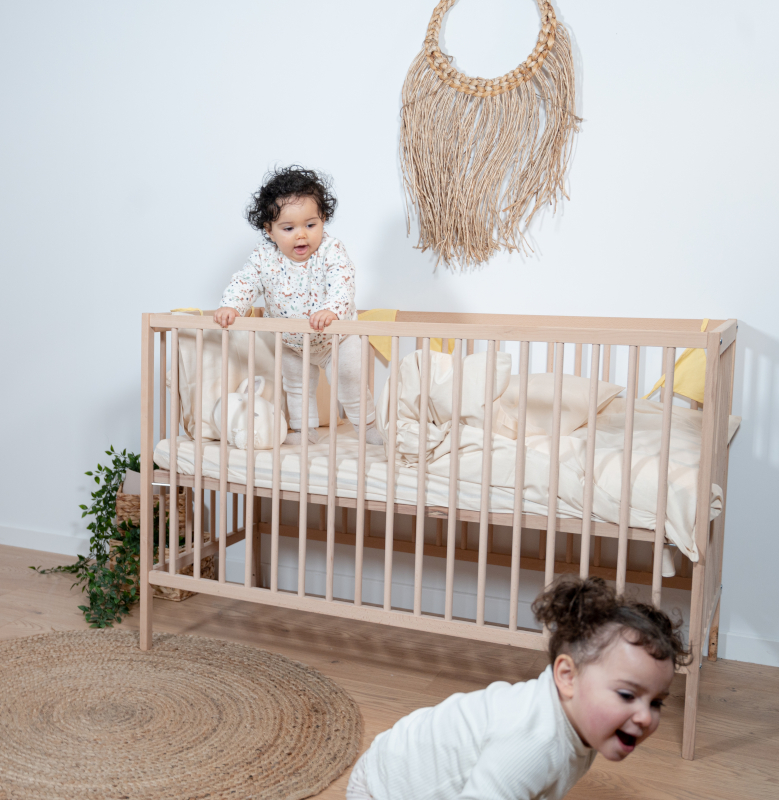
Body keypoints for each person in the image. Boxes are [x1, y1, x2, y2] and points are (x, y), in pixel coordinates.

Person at [347, 576, 688, 800]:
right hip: (383, 790)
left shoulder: (581, 722)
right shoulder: (533, 742)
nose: (644, 717)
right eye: (628, 695)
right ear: (567, 676)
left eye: (656, 702)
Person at [215, 165, 382, 446]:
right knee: (297, 388)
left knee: (349, 379)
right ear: (269, 231)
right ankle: (305, 432)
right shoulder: (264, 257)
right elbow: (245, 281)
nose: (301, 235)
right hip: (293, 342)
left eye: (310, 225)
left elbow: (343, 282)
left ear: (324, 220)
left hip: (337, 339)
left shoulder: (331, 250)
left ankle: (368, 426)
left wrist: (332, 310)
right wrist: (231, 305)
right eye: (289, 228)